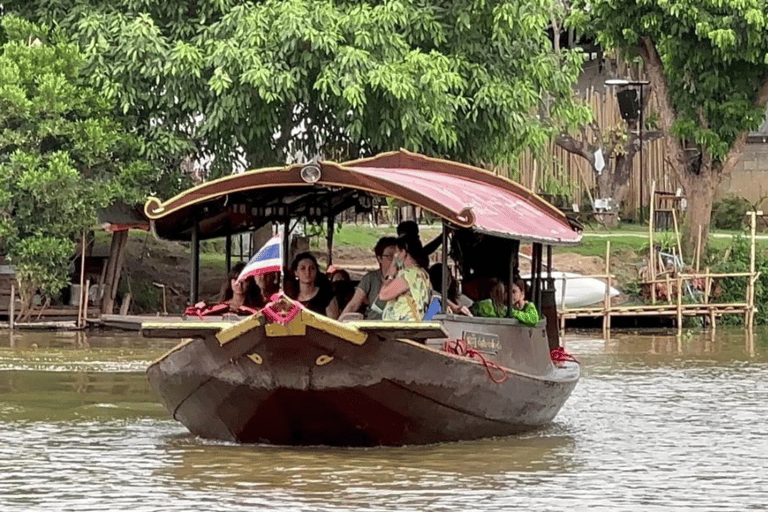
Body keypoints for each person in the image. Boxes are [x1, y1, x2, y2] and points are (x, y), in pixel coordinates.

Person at [339, 236, 398, 320]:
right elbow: (353, 304)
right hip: (373, 324)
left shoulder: (405, 277)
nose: (394, 261)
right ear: (379, 258)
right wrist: (339, 324)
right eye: (390, 257)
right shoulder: (370, 278)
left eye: (397, 257)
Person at [379, 235, 431, 321]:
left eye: (397, 252)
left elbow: (383, 295)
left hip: (404, 325)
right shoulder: (422, 273)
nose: (395, 256)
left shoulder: (409, 274)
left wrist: (390, 274)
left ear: (403, 252)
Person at [286, 252, 339, 318]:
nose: (307, 272)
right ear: (296, 272)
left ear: (316, 271)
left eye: (311, 268)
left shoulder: (327, 296)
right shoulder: (289, 298)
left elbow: (334, 324)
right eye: (303, 268)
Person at [471, 278, 539, 327]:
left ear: (522, 293)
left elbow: (533, 319)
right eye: (507, 292)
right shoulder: (499, 306)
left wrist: (512, 312)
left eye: (514, 292)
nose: (510, 295)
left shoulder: (528, 305)